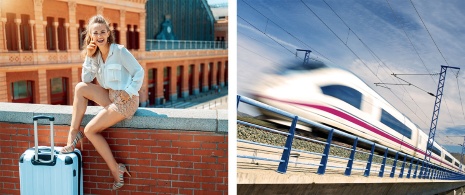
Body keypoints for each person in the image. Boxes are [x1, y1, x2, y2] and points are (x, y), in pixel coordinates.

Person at [59, 15, 144, 190]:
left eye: (102, 32)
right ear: (90, 35)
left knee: (90, 130)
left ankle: (116, 169)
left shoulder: (119, 51)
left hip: (125, 101)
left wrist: (129, 92)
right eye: (95, 32)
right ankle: (73, 134)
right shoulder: (94, 55)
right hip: (110, 95)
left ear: (108, 33)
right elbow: (86, 79)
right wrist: (89, 57)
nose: (99, 35)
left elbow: (139, 72)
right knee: (80, 88)